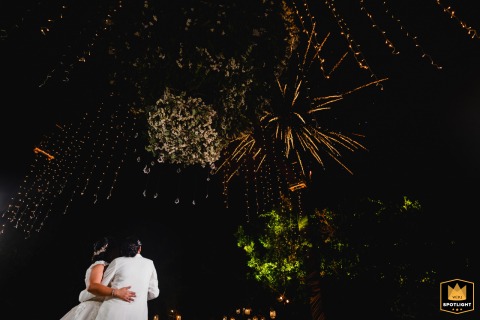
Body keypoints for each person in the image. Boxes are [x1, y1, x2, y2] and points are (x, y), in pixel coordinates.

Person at [84, 235, 160, 320]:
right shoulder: (150, 263)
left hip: (112, 312)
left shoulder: (117, 262)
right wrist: (138, 296)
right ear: (140, 248)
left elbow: (103, 285)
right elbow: (154, 293)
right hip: (138, 314)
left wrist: (116, 292)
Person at [60, 237, 137, 320]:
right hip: (92, 308)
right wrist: (117, 292)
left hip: (105, 308)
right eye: (116, 250)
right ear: (110, 251)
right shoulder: (100, 265)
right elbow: (93, 286)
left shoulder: (111, 266)